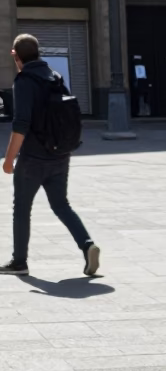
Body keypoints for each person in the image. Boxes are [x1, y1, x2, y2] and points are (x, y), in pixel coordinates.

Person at [1, 34, 99, 277]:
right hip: (60, 155)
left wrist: (9, 158)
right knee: (61, 205)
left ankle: (19, 262)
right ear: (38, 52)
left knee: (22, 208)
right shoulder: (54, 76)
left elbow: (21, 124)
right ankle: (87, 245)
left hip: (33, 159)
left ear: (16, 55)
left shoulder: (24, 81)